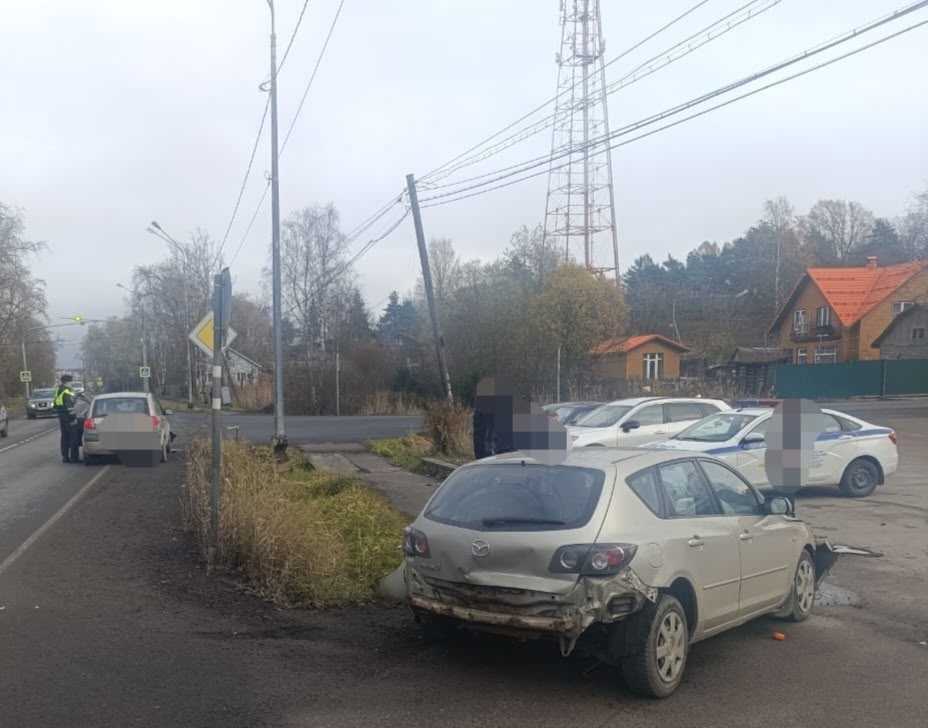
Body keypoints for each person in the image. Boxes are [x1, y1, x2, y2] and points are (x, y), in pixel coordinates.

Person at [53, 374, 79, 463]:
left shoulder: (58, 389)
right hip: (68, 416)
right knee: (74, 436)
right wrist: (74, 418)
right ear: (67, 382)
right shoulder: (66, 392)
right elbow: (70, 407)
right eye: (71, 382)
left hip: (61, 415)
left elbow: (55, 404)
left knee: (64, 436)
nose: (72, 384)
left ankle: (65, 457)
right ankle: (74, 457)